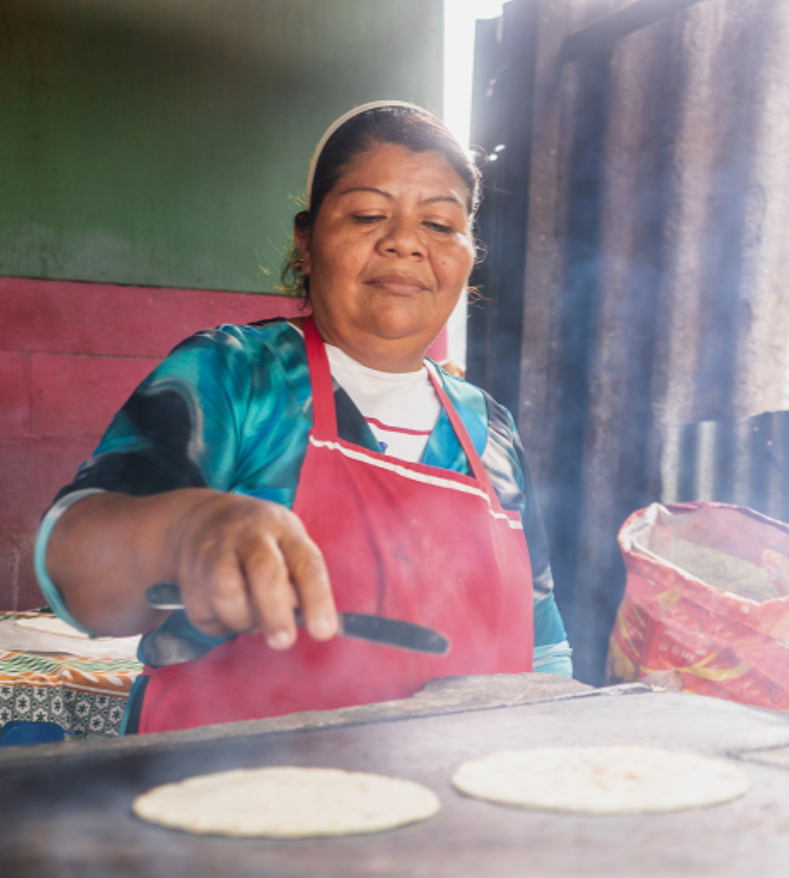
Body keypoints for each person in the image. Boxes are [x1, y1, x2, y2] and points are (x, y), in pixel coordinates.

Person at [36, 102, 569, 734]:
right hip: (219, 804)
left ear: (468, 254)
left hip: (448, 814)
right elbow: (77, 573)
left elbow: (542, 647)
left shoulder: (492, 433)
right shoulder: (238, 375)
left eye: (440, 224)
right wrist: (183, 531)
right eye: (369, 214)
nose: (405, 241)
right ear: (306, 240)